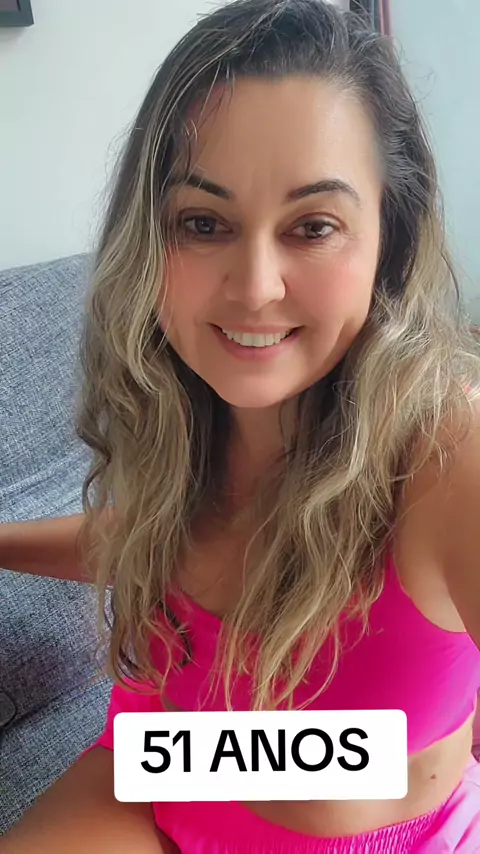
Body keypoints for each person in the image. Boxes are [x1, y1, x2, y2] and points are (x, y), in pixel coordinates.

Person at [2, 0, 480, 851]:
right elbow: (157, 542)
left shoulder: (448, 454)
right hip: (167, 759)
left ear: (390, 240)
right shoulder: (180, 410)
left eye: (314, 226)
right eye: (203, 224)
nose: (255, 286)